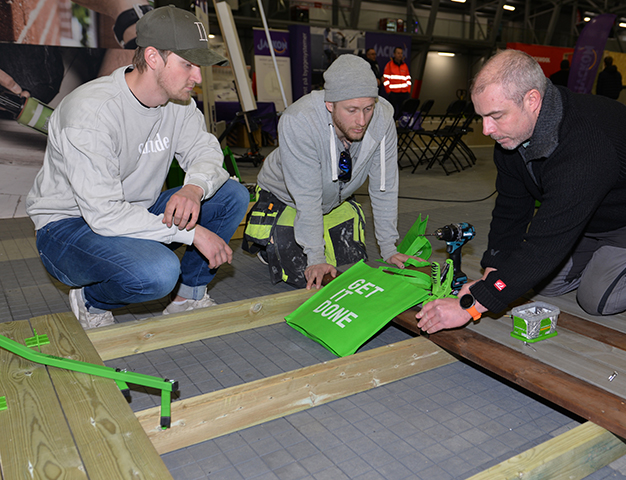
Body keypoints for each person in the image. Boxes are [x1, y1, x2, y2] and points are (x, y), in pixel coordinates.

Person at [416, 49, 626, 334]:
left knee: (598, 299)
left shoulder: (583, 148)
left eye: (496, 115)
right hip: (592, 208)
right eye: (482, 117)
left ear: (532, 100)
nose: (487, 129)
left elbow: (545, 244)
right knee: (543, 284)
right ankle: (607, 259)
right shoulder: (511, 137)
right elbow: (511, 209)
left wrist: (473, 303)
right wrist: (495, 268)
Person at [25, 6, 250, 329]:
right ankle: (92, 301)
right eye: (188, 65)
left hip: (132, 212)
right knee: (157, 273)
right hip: (69, 228)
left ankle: (188, 296)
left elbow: (206, 152)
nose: (198, 78)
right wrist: (193, 233)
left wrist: (193, 188)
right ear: (153, 57)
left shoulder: (180, 104)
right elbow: (104, 214)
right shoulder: (91, 113)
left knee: (230, 194)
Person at [244, 54, 419, 289]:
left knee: (350, 270)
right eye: (352, 110)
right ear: (330, 104)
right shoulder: (299, 120)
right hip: (286, 197)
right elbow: (306, 196)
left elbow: (384, 185)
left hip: (335, 199)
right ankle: (269, 244)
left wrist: (389, 249)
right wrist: (315, 256)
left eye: (368, 108)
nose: (362, 120)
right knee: (305, 275)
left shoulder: (383, 116)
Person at [383, 47, 412, 119]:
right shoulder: (389, 65)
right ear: (394, 54)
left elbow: (408, 78)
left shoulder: (404, 65)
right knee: (393, 112)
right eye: (398, 53)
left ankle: (402, 127)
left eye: (401, 53)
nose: (400, 55)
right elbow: (386, 79)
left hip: (404, 93)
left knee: (404, 113)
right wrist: (388, 91)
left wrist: (408, 90)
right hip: (394, 93)